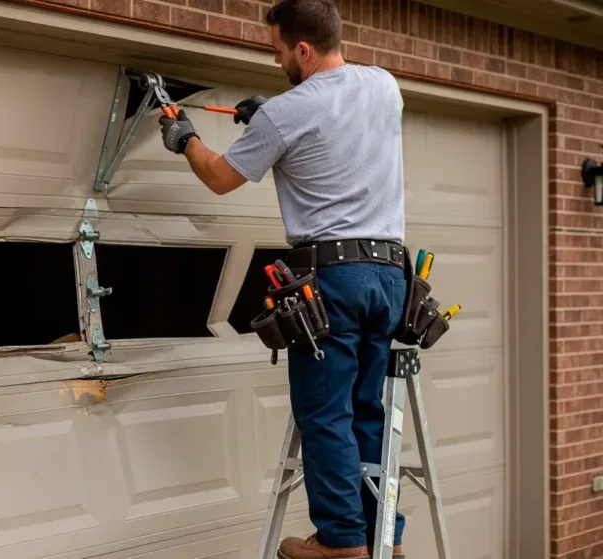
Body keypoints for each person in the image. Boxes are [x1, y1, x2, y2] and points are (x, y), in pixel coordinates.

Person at [156, 1, 408, 558]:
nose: (275, 61)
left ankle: (342, 544)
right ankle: (382, 539)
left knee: (325, 414)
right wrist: (276, 115)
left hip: (334, 280)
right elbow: (335, 117)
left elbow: (221, 177)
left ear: (302, 48)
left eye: (277, 51)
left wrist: (186, 140)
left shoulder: (287, 113)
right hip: (390, 276)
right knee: (367, 409)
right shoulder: (383, 85)